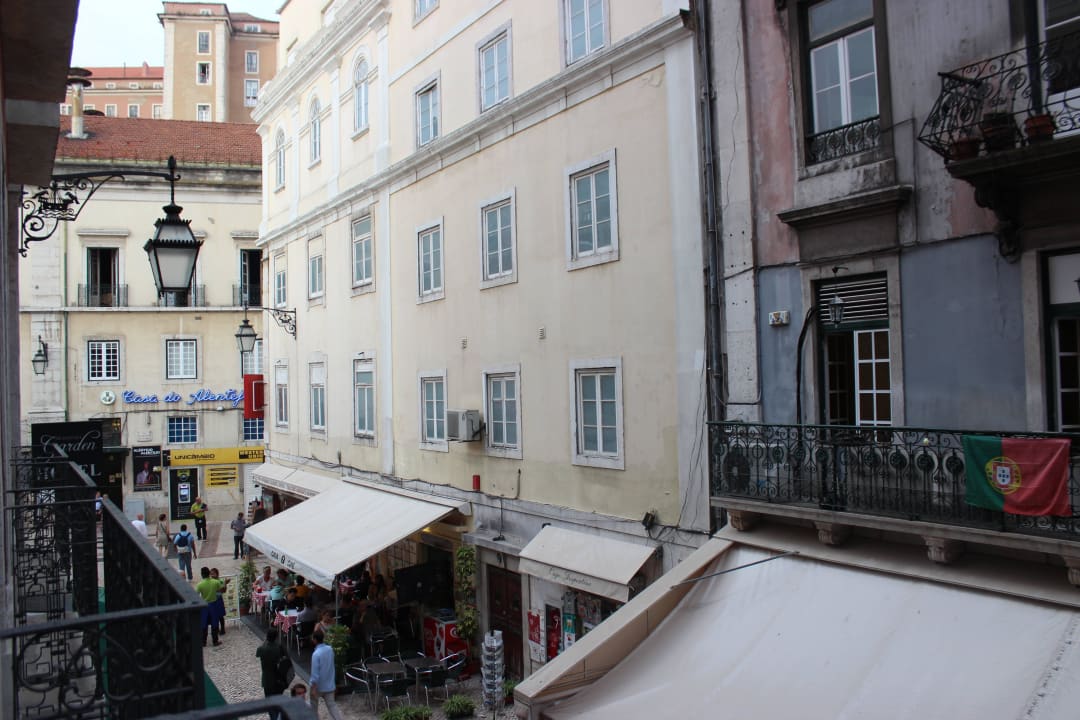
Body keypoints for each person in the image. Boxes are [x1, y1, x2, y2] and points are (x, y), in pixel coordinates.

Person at [308, 629, 344, 720]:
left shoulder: (316, 654)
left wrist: (313, 688)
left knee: (313, 707)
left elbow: (315, 674)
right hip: (329, 684)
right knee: (332, 706)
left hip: (318, 686)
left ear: (315, 640)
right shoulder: (330, 649)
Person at [256, 628, 288, 720]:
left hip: (267, 679)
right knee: (278, 702)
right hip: (279, 678)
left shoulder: (262, 649)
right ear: (276, 637)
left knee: (270, 703)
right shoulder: (279, 647)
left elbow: (257, 654)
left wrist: (264, 642)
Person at [196, 567, 223, 646]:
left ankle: (203, 641)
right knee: (215, 623)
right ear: (209, 574)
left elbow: (196, 595)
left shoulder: (200, 585)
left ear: (202, 575)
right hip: (214, 604)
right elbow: (220, 591)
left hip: (204, 606)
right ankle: (215, 641)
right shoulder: (215, 582)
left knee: (204, 624)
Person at [210, 567, 230, 636]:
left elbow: (224, 590)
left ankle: (222, 629)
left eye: (213, 574)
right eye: (211, 574)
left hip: (218, 599)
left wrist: (225, 584)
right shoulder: (210, 581)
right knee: (214, 615)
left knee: (220, 615)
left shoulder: (220, 581)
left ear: (217, 574)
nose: (212, 575)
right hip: (212, 600)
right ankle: (216, 628)